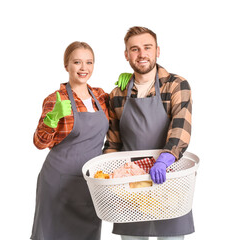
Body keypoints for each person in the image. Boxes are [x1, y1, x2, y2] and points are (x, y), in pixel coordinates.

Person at [104, 26, 193, 240]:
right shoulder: (118, 94)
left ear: (157, 51)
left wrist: (165, 158)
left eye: (147, 47)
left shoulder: (176, 85)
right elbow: (113, 143)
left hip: (169, 178)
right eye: (134, 49)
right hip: (129, 183)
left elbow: (181, 126)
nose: (142, 54)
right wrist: (107, 175)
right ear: (126, 55)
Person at [30, 41, 110, 240]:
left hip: (89, 182)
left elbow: (124, 111)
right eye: (77, 62)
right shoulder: (55, 99)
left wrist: (132, 83)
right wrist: (51, 119)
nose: (84, 68)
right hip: (57, 181)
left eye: (89, 62)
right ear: (67, 66)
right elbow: (40, 143)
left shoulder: (100, 96)